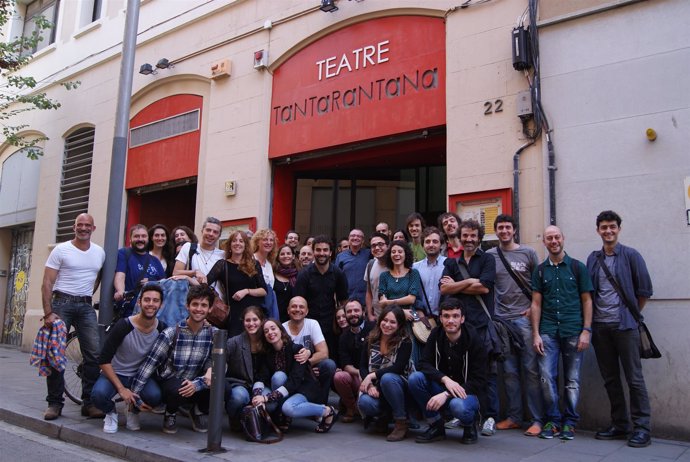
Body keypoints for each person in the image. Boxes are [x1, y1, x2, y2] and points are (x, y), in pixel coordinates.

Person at [586, 210, 653, 448]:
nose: (608, 231)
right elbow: (589, 294)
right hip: (601, 327)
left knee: (634, 379)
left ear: (619, 229)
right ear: (598, 231)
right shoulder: (594, 259)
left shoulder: (631, 256)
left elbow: (643, 291)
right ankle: (620, 424)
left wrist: (632, 315)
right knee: (610, 378)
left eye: (612, 227)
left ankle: (642, 428)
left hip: (626, 327)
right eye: (604, 227)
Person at [530, 225, 593, 440]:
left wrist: (586, 330)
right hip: (548, 331)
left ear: (563, 239)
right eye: (549, 238)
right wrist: (536, 334)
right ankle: (553, 420)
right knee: (547, 377)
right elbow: (536, 304)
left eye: (557, 237)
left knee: (572, 380)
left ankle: (570, 422)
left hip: (573, 329)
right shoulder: (540, 270)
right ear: (544, 242)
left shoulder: (578, 267)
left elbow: (587, 300)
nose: (554, 241)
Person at [41, 213, 105, 420]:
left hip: (85, 305)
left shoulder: (99, 252)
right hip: (62, 303)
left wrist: (87, 292)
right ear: (74, 227)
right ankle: (54, 403)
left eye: (87, 225)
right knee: (55, 354)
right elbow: (47, 283)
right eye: (80, 225)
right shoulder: (61, 250)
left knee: (94, 355)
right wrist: (48, 312)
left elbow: (97, 278)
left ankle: (89, 403)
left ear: (93, 229)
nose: (84, 228)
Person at [130, 284, 217, 434]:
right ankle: (170, 412)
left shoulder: (214, 334)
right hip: (172, 382)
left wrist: (203, 378)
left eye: (204, 305)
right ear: (187, 306)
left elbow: (219, 362)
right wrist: (134, 397)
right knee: (177, 388)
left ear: (210, 309)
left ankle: (197, 410)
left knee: (223, 386)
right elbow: (149, 364)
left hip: (197, 382)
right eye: (195, 304)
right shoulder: (171, 333)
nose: (199, 309)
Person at [486, 214, 543, 436]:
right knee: (509, 372)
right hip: (502, 321)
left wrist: (533, 308)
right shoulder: (490, 256)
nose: (504, 231)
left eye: (508, 227)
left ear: (514, 230)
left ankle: (537, 419)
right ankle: (514, 417)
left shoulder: (528, 253)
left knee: (530, 370)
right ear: (496, 231)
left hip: (525, 319)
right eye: (500, 228)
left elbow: (538, 285)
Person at [439, 219, 498, 435]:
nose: (469, 239)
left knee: (487, 373)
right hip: (459, 327)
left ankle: (490, 416)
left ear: (479, 237)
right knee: (460, 372)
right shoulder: (452, 263)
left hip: (481, 324)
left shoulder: (488, 259)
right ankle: (462, 413)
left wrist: (457, 286)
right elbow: (444, 289)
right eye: (466, 235)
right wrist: (468, 282)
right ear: (460, 237)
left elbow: (484, 288)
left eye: (473, 236)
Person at [408, 298, 487, 444]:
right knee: (415, 379)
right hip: (442, 386)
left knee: (457, 406)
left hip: (467, 393)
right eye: (446, 316)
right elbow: (423, 364)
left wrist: (447, 393)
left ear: (462, 319)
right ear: (441, 318)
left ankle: (469, 426)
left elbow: (479, 381)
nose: (450, 320)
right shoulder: (436, 334)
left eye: (455, 316)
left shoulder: (474, 339)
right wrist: (445, 380)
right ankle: (436, 425)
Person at [92, 284, 166, 433]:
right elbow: (103, 360)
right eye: (147, 300)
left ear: (161, 305)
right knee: (98, 395)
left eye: (155, 301)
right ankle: (111, 412)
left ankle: (133, 409)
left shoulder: (162, 328)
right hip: (116, 373)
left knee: (155, 396)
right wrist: (121, 389)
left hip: (139, 377)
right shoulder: (123, 326)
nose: (151, 304)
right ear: (139, 302)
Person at [252, 319, 337, 433]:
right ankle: (280, 417)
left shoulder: (297, 349)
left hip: (301, 388)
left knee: (288, 406)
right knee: (269, 399)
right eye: (266, 331)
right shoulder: (266, 352)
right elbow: (260, 377)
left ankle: (327, 411)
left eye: (273, 328)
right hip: (280, 390)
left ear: (281, 331)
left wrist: (267, 398)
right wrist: (257, 396)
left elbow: (294, 381)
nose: (270, 333)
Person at [358, 305, 414, 442]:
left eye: (393, 322)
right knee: (364, 402)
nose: (387, 325)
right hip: (377, 389)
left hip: (399, 386)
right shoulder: (371, 338)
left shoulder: (405, 342)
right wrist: (370, 385)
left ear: (399, 324)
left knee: (388, 378)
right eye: (385, 320)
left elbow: (398, 368)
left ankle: (401, 422)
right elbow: (363, 366)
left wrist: (372, 376)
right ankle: (384, 415)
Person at [294, 235, 348, 359]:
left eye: (325, 250)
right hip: (308, 323)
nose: (321, 253)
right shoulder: (304, 274)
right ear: (313, 252)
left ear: (330, 252)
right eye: (318, 250)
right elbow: (298, 301)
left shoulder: (338, 273)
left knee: (330, 360)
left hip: (330, 324)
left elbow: (343, 300)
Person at [206, 230, 267, 336]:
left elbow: (264, 290)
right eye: (234, 241)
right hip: (234, 315)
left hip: (254, 313)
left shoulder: (254, 264)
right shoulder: (222, 265)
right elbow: (205, 283)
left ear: (245, 245)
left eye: (241, 241)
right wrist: (187, 276)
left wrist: (246, 291)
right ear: (230, 245)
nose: (237, 243)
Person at [282, 296, 337, 400]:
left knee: (329, 365)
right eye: (294, 306)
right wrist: (305, 369)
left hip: (309, 365)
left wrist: (306, 365)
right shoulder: (282, 328)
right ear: (288, 310)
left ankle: (322, 404)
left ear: (307, 311)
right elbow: (282, 360)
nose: (298, 309)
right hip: (291, 371)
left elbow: (324, 353)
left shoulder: (312, 324)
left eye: (301, 307)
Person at [378, 240, 422, 363]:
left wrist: (389, 302)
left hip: (409, 321)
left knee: (409, 356)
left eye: (400, 251)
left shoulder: (413, 273)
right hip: (391, 321)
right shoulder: (384, 276)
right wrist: (401, 312)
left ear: (405, 254)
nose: (396, 254)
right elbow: (382, 302)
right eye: (393, 252)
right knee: (391, 357)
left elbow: (411, 298)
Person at [224, 305, 266, 430]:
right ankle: (235, 419)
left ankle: (261, 422)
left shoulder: (267, 340)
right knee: (239, 397)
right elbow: (219, 360)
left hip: (262, 385)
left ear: (262, 321)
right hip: (239, 384)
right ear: (243, 322)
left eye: (255, 320)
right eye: (248, 320)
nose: (251, 323)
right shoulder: (234, 342)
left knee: (271, 403)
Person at [333, 300, 373, 423]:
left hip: (375, 375)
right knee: (339, 376)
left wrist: (368, 375)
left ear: (363, 312)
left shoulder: (373, 328)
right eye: (349, 311)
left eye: (356, 310)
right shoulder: (344, 337)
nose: (353, 314)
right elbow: (346, 365)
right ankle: (352, 408)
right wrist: (360, 373)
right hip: (357, 377)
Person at [114, 224, 166, 316]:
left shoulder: (155, 261)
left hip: (152, 313)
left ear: (148, 239)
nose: (140, 239)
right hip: (130, 311)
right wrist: (120, 291)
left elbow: (164, 284)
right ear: (130, 239)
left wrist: (150, 282)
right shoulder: (124, 253)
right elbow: (120, 274)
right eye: (136, 236)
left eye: (143, 236)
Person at [173, 217, 224, 284]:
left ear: (219, 236)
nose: (211, 234)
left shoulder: (223, 255)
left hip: (217, 294)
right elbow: (175, 273)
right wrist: (194, 272)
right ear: (202, 230)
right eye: (208, 230)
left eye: (215, 232)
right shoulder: (188, 247)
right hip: (193, 293)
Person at [413, 226, 446, 317]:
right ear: (422, 245)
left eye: (435, 241)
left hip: (443, 318)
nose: (431, 245)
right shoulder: (415, 268)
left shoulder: (449, 265)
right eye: (427, 242)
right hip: (422, 318)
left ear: (441, 245)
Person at [335, 228, 371, 308]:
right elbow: (336, 278)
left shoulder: (369, 254)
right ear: (348, 239)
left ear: (363, 240)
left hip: (365, 301)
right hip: (346, 300)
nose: (355, 238)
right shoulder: (341, 256)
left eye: (359, 236)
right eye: (353, 236)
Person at [364, 232, 390, 322]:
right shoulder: (370, 264)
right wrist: (370, 314)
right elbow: (369, 291)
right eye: (373, 245)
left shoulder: (396, 265)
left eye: (380, 244)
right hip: (376, 317)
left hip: (393, 317)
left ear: (388, 246)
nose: (377, 248)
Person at [273, 244, 300, 323]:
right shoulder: (272, 273)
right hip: (276, 317)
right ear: (278, 257)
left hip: (295, 317)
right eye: (282, 254)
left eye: (288, 253)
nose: (286, 256)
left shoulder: (300, 274)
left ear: (293, 256)